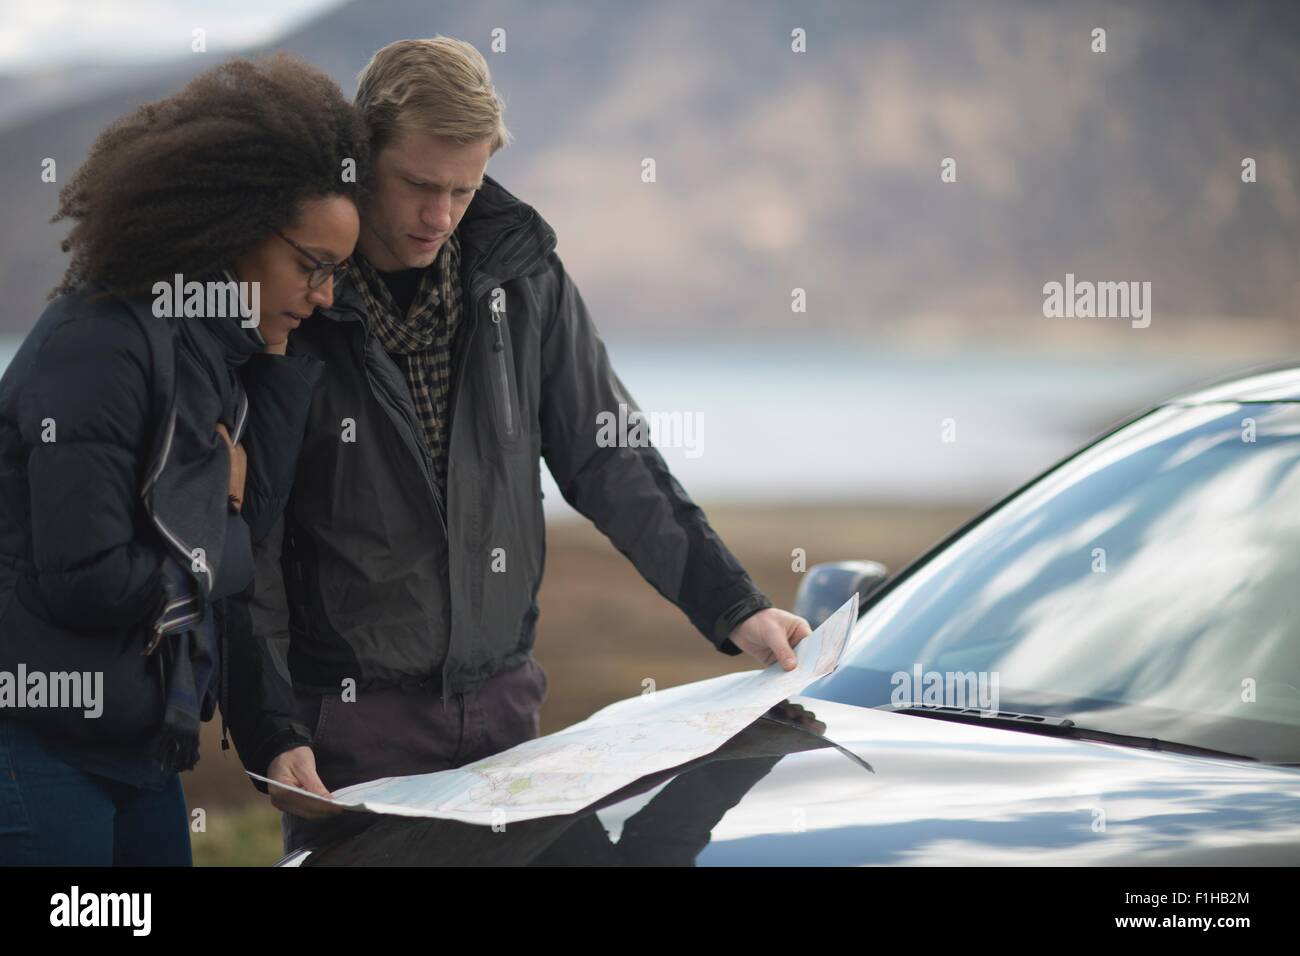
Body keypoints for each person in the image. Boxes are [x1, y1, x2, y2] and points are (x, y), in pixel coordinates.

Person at [245, 36, 813, 855]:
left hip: (509, 718)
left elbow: (610, 458)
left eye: (463, 191)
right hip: (348, 734)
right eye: (417, 185)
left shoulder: (526, 275)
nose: (440, 216)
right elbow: (251, 536)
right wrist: (271, 725)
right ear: (361, 159)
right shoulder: (293, 296)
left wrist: (735, 607)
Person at [0, 53, 367, 866]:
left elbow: (228, 565)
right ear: (236, 228)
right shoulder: (101, 344)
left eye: (337, 274)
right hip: (37, 754)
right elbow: (88, 579)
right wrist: (220, 517)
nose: (325, 295)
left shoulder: (211, 360)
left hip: (140, 754)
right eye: (312, 267)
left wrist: (273, 738)